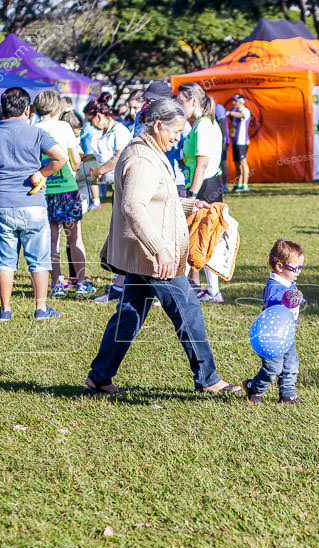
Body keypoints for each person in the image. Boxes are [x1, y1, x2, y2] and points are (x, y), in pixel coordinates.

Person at [85, 97, 241, 397]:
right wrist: (159, 248)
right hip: (152, 255)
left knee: (130, 312)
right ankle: (208, 379)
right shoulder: (143, 158)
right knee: (188, 309)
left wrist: (187, 205)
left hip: (142, 253)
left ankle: (100, 376)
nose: (178, 136)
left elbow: (155, 198)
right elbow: (134, 206)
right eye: (175, 131)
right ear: (157, 126)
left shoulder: (147, 150)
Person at [0, 86, 68, 321]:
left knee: (4, 260)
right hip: (32, 204)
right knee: (39, 259)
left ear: (1, 109)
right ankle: (41, 308)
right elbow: (61, 157)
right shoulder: (36, 133)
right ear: (28, 109)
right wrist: (42, 173)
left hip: (3, 203)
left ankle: (5, 309)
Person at [34, 90, 95, 298]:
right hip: (67, 188)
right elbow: (76, 159)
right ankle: (81, 282)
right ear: (56, 106)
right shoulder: (64, 127)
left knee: (52, 239)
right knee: (74, 238)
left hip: (45, 188)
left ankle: (56, 283)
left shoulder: (33, 128)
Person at [177, 82, 225, 303]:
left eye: (181, 101)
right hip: (205, 185)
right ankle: (213, 292)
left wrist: (192, 195)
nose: (179, 105)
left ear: (193, 100)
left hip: (205, 186)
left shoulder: (204, 125)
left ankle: (178, 291)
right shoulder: (201, 124)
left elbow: (202, 164)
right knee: (203, 239)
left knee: (194, 238)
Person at [244, 239, 305, 405]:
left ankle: (288, 395)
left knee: (291, 366)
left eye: (301, 267)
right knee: (273, 368)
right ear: (279, 266)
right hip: (272, 337)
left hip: (286, 334)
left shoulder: (289, 282)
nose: (299, 272)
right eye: (296, 268)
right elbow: (276, 301)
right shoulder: (274, 286)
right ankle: (254, 388)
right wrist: (290, 299)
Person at [85, 93, 132, 206]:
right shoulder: (106, 131)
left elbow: (119, 158)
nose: (91, 125)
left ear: (98, 116)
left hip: (127, 185)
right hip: (118, 185)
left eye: (90, 121)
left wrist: (99, 171)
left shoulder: (119, 131)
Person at [227, 94, 252, 192]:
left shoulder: (245, 110)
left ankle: (245, 185)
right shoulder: (234, 111)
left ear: (241, 102)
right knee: (237, 163)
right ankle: (239, 184)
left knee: (243, 162)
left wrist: (229, 113)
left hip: (242, 141)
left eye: (235, 101)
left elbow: (242, 115)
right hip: (235, 141)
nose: (233, 103)